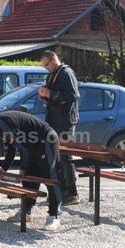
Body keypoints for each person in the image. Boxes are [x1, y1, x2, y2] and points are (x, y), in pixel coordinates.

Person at [0, 108, 64, 231]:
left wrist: (22, 167)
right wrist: (4, 168)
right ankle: (26, 212)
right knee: (29, 179)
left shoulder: (6, 121)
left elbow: (23, 147)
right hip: (33, 147)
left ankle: (54, 216)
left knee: (51, 178)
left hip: (46, 141)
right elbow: (12, 147)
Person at [38, 50, 80, 206]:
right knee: (56, 157)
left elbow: (72, 95)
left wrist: (51, 94)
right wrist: (44, 93)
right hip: (54, 121)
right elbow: (52, 95)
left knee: (65, 157)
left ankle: (72, 193)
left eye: (47, 65)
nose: (46, 68)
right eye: (44, 66)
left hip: (65, 121)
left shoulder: (66, 73)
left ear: (54, 59)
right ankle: (60, 191)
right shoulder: (52, 75)